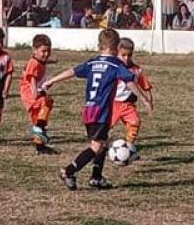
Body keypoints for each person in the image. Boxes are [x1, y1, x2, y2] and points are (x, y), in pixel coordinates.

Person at [45, 28, 141, 191]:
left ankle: (96, 177)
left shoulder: (92, 62)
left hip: (89, 110)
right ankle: (68, 172)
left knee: (103, 144)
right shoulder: (115, 64)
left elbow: (72, 71)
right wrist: (143, 97)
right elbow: (129, 81)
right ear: (117, 47)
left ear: (99, 46)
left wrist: (52, 80)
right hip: (101, 112)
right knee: (96, 147)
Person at [110, 38, 154, 158]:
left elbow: (145, 85)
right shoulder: (113, 67)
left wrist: (149, 101)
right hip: (111, 104)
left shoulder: (137, 70)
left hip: (128, 105)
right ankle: (98, 147)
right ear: (116, 53)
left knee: (135, 123)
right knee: (104, 127)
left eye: (129, 55)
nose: (126, 58)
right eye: (123, 55)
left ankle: (128, 148)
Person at [20, 34, 58, 155]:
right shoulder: (34, 63)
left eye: (48, 51)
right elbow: (31, 79)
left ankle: (40, 148)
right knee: (47, 102)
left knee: (37, 118)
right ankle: (38, 128)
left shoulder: (39, 61)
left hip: (34, 91)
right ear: (34, 50)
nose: (46, 54)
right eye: (43, 51)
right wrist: (36, 93)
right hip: (30, 93)